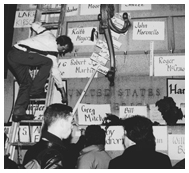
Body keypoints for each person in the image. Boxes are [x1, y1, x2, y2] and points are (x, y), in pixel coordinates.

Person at [7, 22, 73, 122]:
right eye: (63, 49)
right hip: (20, 54)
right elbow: (56, 73)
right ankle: (36, 90)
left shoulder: (48, 33)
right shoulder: (53, 53)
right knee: (48, 62)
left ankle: (18, 113)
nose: (62, 52)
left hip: (12, 55)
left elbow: (34, 25)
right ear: (60, 44)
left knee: (26, 83)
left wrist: (41, 23)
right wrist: (63, 92)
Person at [23, 103, 74, 169]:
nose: (72, 127)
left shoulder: (31, 150)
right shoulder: (55, 155)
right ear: (62, 123)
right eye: (71, 122)